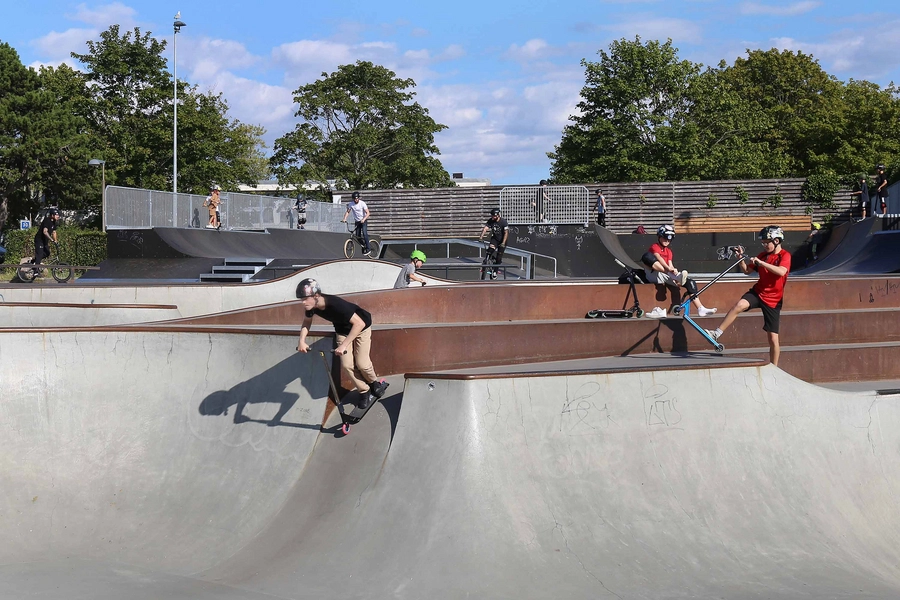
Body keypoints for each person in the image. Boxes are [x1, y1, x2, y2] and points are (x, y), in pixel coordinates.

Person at [295, 278, 388, 410]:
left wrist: (344, 345)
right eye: (301, 299)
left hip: (362, 328)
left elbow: (359, 323)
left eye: (305, 299)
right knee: (347, 364)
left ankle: (373, 383)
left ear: (316, 296)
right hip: (342, 331)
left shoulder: (335, 304)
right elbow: (306, 322)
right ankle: (364, 390)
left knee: (362, 363)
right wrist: (301, 341)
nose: (303, 302)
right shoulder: (311, 307)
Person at [705, 225, 791, 366]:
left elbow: (781, 272)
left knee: (773, 339)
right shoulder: (763, 255)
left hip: (773, 300)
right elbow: (746, 271)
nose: (764, 245)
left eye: (766, 242)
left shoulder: (784, 256)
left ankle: (775, 368)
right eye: (762, 243)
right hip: (758, 292)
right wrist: (741, 258)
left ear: (776, 241)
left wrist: (762, 263)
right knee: (739, 305)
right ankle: (717, 333)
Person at [641, 224, 717, 318]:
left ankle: (700, 308)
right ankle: (675, 277)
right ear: (659, 237)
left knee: (690, 282)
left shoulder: (669, 251)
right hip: (653, 273)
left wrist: (674, 272)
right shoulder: (655, 247)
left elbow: (670, 264)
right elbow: (658, 258)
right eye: (665, 238)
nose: (667, 241)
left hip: (665, 275)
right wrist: (669, 270)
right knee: (646, 256)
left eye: (669, 239)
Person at [478, 208, 509, 279]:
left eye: (494, 216)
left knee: (499, 257)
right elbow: (485, 228)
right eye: (492, 216)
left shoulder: (503, 222)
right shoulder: (491, 221)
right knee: (489, 251)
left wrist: (503, 242)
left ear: (498, 215)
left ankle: (495, 271)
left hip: (502, 240)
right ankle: (486, 262)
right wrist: (481, 237)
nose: (492, 217)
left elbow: (506, 233)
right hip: (495, 239)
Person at [32, 207, 61, 273]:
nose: (58, 216)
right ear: (52, 215)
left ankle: (33, 261)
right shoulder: (47, 220)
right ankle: (35, 271)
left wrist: (55, 240)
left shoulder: (54, 222)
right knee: (39, 254)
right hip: (39, 240)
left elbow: (54, 232)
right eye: (56, 215)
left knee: (47, 253)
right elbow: (45, 231)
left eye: (58, 215)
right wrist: (51, 240)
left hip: (44, 241)